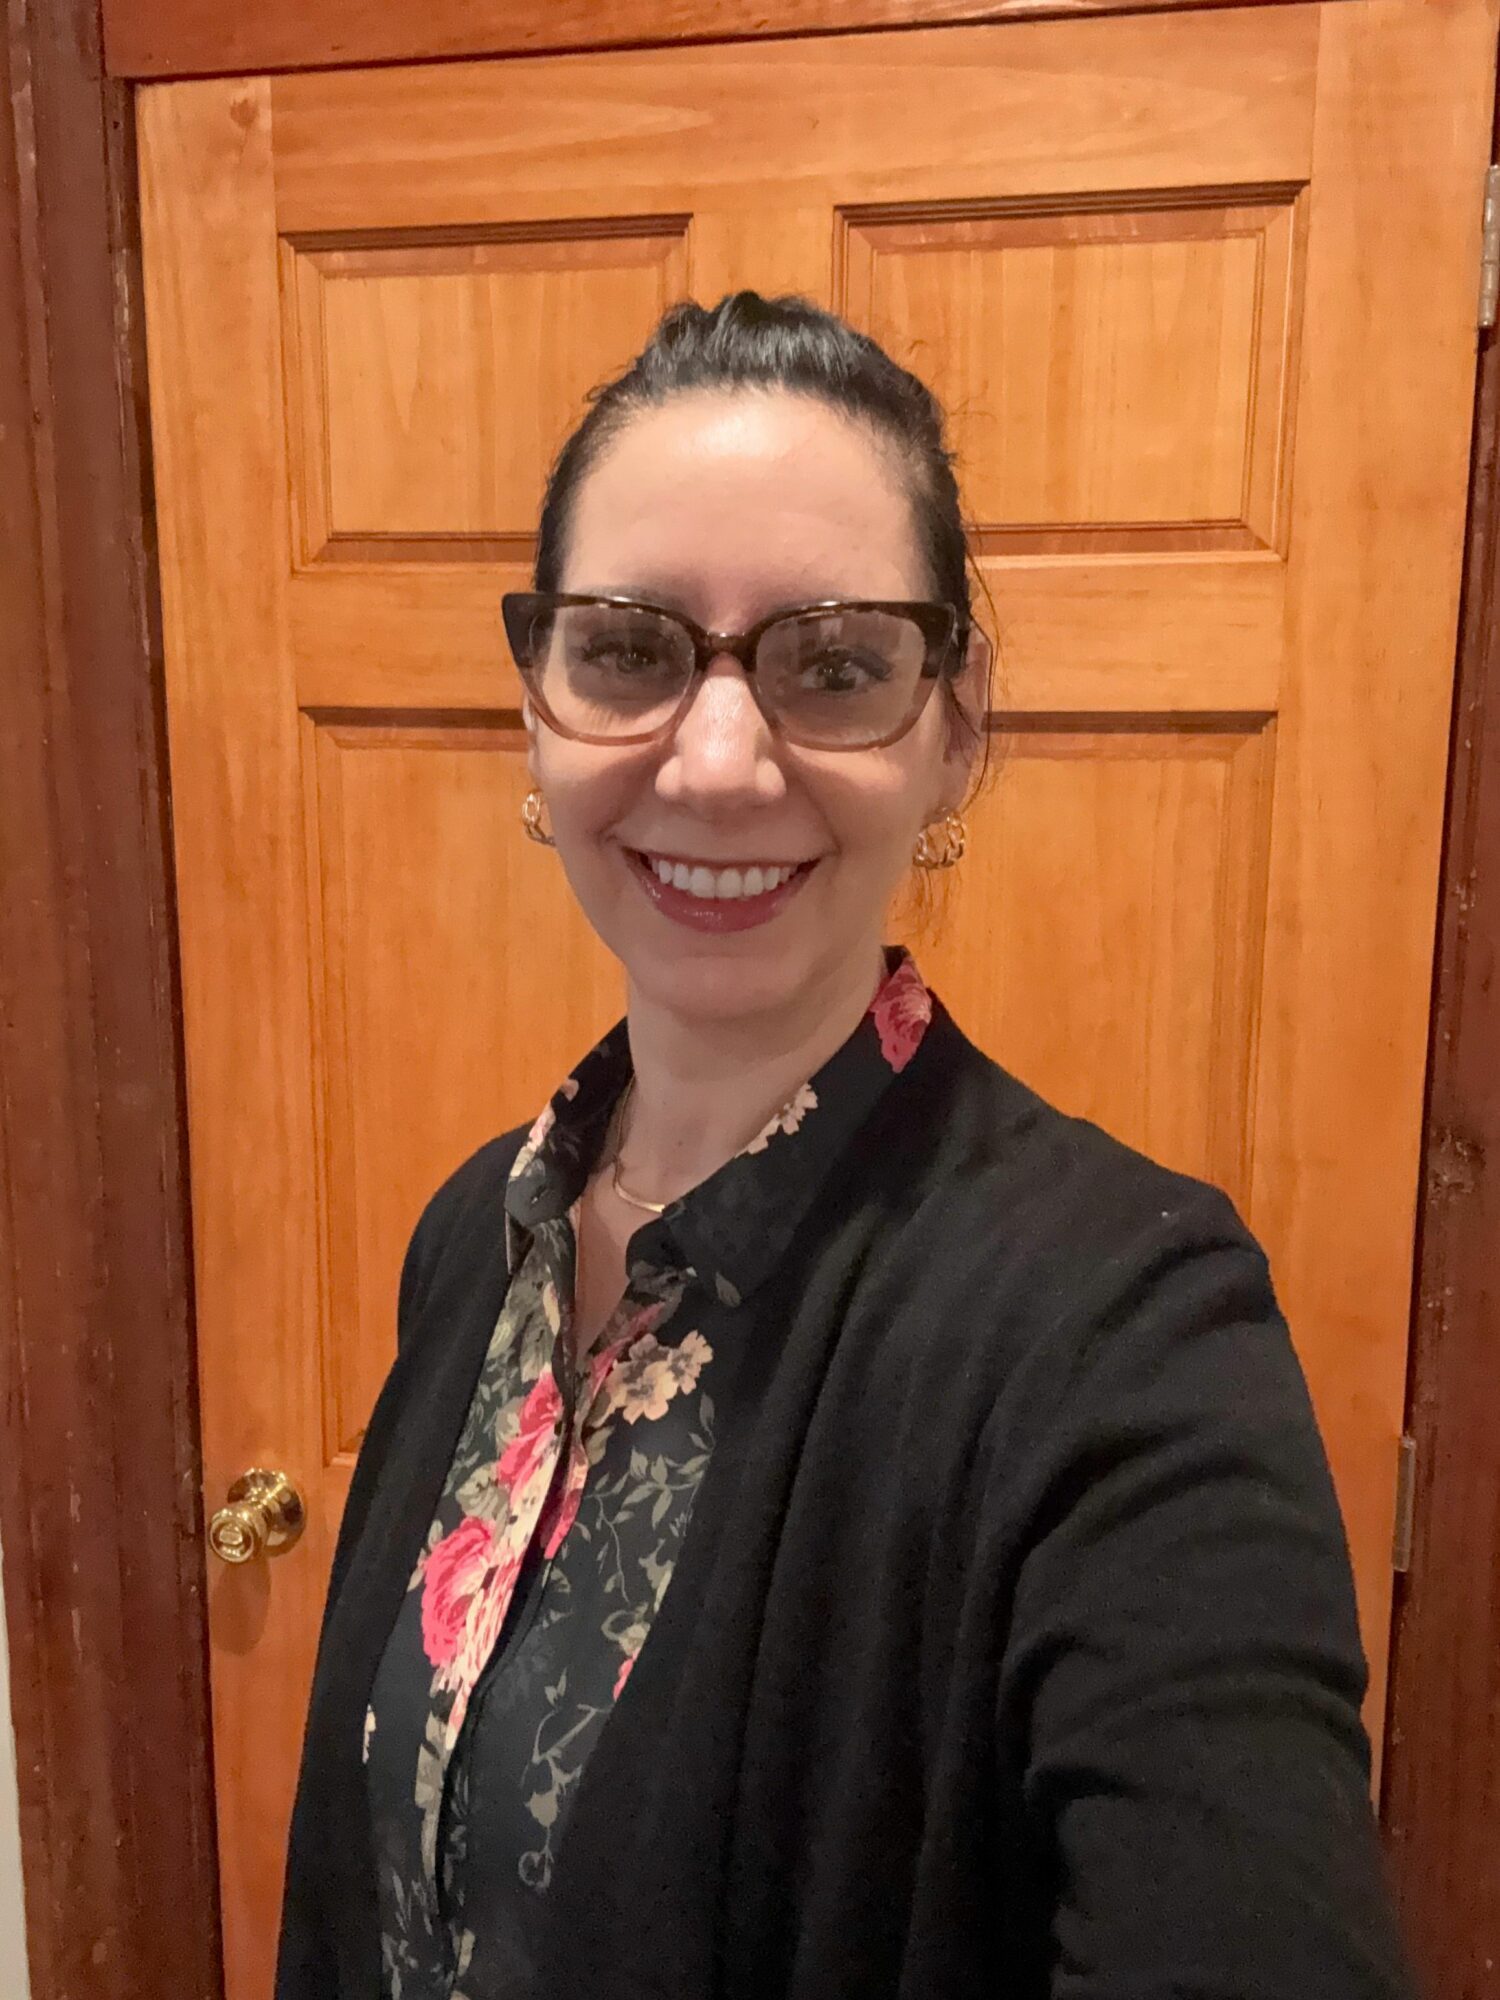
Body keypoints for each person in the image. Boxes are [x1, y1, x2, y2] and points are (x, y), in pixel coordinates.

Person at [276, 292, 1412, 2000]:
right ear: (537, 704)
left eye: (836, 668)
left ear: (955, 726)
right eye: (629, 650)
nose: (721, 761)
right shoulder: (477, 1237)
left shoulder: (1131, 1331)